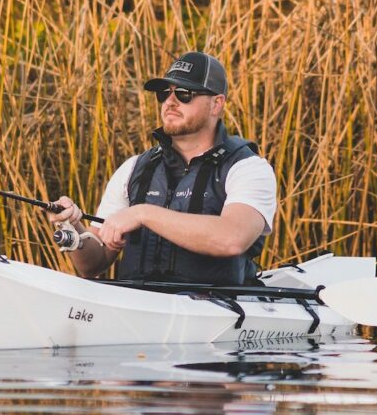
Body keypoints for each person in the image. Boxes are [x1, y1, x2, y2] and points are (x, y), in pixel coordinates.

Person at [47, 52, 277, 284]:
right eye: (164, 93)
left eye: (184, 94)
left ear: (216, 104)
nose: (170, 102)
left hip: (213, 314)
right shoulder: (134, 168)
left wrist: (142, 214)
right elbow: (92, 265)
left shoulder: (248, 168)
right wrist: (71, 227)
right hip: (139, 311)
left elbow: (232, 238)